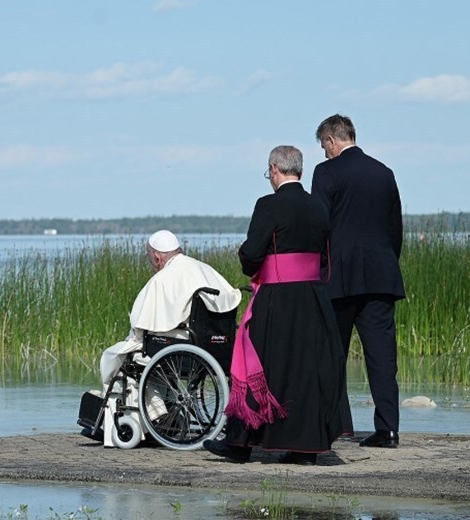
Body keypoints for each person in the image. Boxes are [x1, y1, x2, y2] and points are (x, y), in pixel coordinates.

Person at [204, 145, 350, 465]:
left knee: (257, 366)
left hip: (278, 298)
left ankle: (240, 444)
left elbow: (252, 252)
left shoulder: (268, 204)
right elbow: (326, 255)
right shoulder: (318, 206)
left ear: (274, 169)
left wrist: (248, 262)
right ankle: (305, 447)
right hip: (313, 299)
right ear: (300, 169)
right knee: (305, 370)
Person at [311, 114, 405, 449]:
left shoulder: (327, 173)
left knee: (331, 353)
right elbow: (395, 230)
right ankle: (389, 429)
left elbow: (320, 223)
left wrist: (319, 268)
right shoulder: (384, 172)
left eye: (324, 146)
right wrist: (386, 262)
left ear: (333, 141)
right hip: (381, 275)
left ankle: (336, 426)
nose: (324, 153)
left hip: (339, 277)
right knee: (382, 357)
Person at [98, 230, 241, 392]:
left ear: (157, 258)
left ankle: (154, 411)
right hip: (216, 345)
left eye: (149, 258)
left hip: (182, 347)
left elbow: (140, 329)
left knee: (112, 357)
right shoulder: (205, 269)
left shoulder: (163, 279)